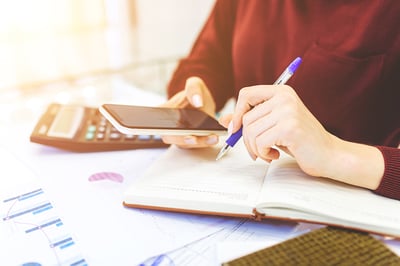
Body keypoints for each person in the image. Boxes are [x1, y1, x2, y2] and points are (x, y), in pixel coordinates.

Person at [161, 1, 400, 200]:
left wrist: (333, 152)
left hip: (348, 208)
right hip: (244, 192)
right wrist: (195, 95)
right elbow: (208, 60)